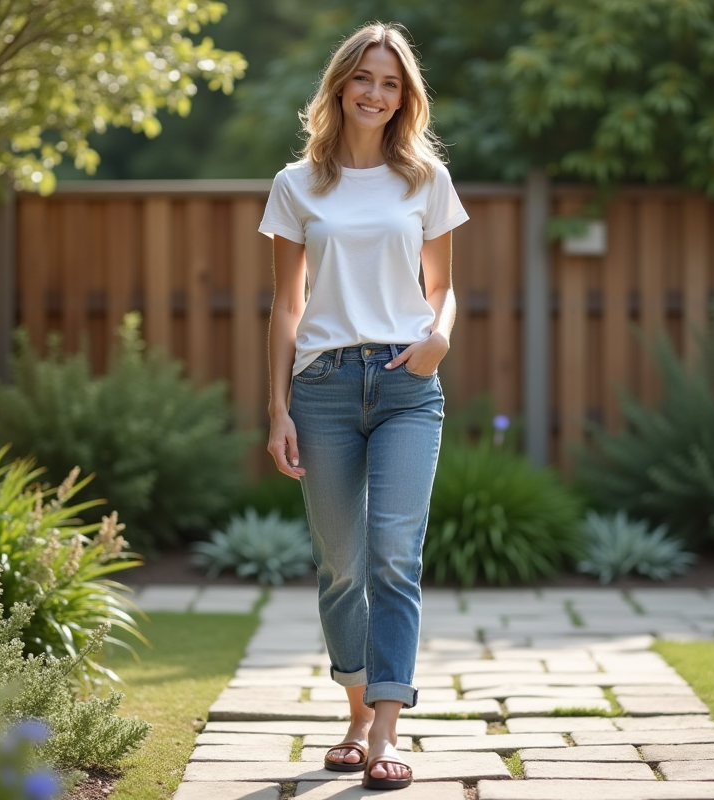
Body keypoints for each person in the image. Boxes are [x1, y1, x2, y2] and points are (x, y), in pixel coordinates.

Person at [258, 21, 468, 792]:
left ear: (404, 96)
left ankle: (384, 731)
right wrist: (277, 409)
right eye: (364, 78)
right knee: (341, 563)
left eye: (390, 83)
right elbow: (287, 305)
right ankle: (353, 713)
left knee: (394, 556)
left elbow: (442, 287)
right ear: (341, 85)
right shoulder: (296, 184)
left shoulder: (426, 179)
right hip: (323, 386)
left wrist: (439, 339)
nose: (375, 93)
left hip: (409, 384)